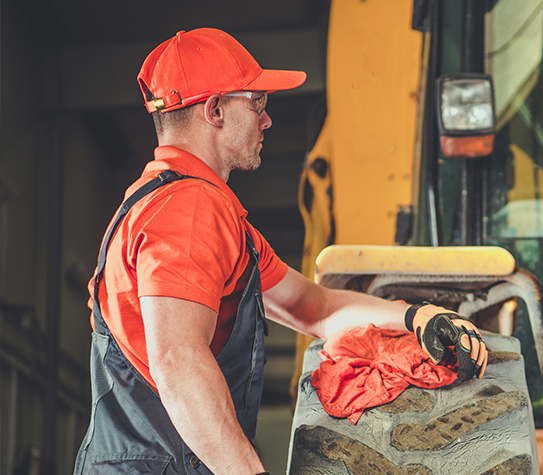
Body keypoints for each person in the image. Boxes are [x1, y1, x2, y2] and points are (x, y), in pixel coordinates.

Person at [74, 27, 487, 475]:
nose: (266, 119)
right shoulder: (187, 209)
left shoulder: (191, 209)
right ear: (214, 109)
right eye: (256, 102)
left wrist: (414, 316)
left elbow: (315, 308)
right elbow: (178, 359)